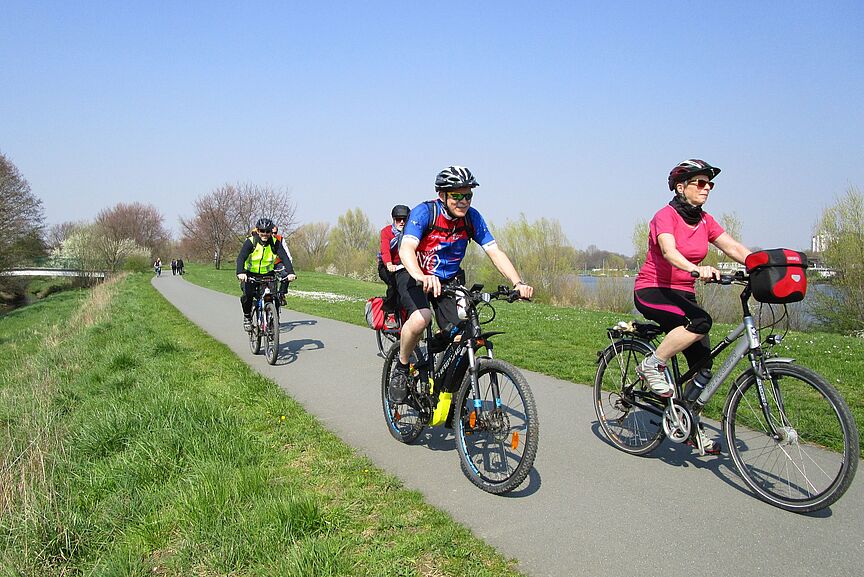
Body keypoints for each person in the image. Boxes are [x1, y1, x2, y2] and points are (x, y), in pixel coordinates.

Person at [633, 159, 751, 454]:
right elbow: (669, 251)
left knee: (703, 368)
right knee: (701, 322)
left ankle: (686, 425)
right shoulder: (666, 216)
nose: (707, 188)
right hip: (653, 290)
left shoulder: (705, 221)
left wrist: (761, 265)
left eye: (710, 184)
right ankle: (652, 364)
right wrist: (696, 270)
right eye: (701, 183)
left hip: (683, 295)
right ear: (681, 186)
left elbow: (734, 248)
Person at [388, 165, 533, 403]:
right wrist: (422, 276)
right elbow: (406, 249)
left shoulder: (472, 219)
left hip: (449, 281)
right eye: (457, 195)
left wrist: (518, 282)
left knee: (463, 332)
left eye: (468, 195)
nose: (464, 201)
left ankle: (450, 391)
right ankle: (402, 369)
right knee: (421, 317)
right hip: (414, 274)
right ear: (442, 195)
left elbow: (494, 251)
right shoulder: (425, 213)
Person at [236, 218, 296, 332]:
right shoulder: (251, 241)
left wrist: (291, 272)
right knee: (247, 296)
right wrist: (240, 272)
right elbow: (241, 257)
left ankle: (274, 320)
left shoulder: (275, 243)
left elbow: (284, 257)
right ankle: (247, 317)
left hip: (268, 275)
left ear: (270, 231)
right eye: (262, 231)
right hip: (250, 275)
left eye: (267, 231)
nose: (265, 234)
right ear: (257, 231)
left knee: (275, 297)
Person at [378, 204, 410, 328]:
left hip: (404, 266)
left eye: (404, 219)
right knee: (394, 284)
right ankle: (390, 312)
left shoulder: (411, 233)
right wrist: (389, 264)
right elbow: (385, 250)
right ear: (393, 219)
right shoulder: (386, 232)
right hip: (388, 265)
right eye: (398, 219)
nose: (401, 222)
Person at [271, 225, 294, 306]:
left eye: (275, 233)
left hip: (278, 263)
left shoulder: (280, 239)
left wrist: (290, 269)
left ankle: (282, 294)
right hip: (266, 264)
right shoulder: (264, 239)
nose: (273, 234)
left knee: (285, 274)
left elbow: (287, 255)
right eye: (272, 232)